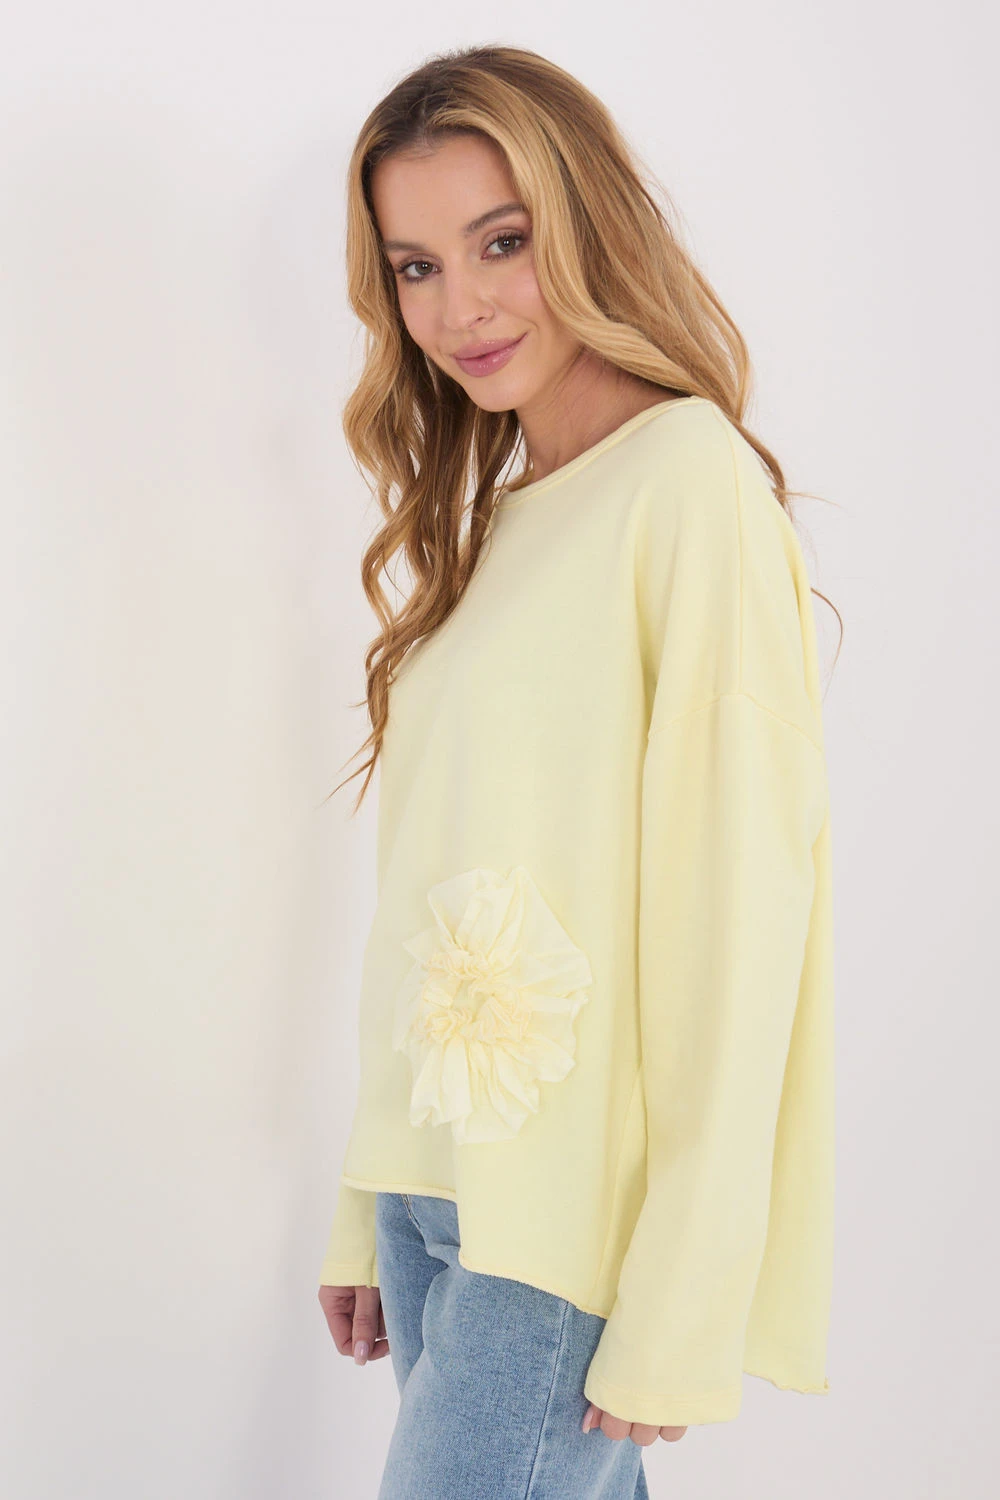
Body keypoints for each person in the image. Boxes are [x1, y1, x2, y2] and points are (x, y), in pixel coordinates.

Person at [316, 43, 841, 1500]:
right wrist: (369, 1192)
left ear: (589, 222)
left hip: (565, 1227)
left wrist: (686, 1286)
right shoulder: (500, 522)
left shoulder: (689, 484)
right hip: (440, 1195)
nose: (461, 308)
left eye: (503, 242)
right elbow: (428, 887)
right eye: (416, 268)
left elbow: (740, 910)